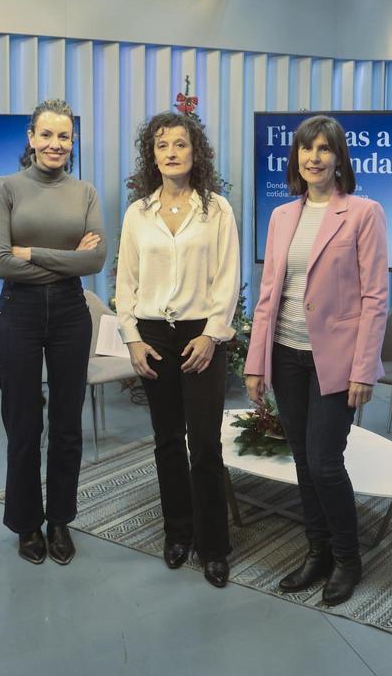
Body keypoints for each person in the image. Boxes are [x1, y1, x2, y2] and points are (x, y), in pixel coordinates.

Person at [244, 114, 388, 606]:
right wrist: (256, 361)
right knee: (304, 461)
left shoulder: (364, 213)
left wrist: (363, 369)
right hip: (285, 356)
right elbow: (269, 295)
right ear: (296, 158)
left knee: (326, 462)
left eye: (325, 149)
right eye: (307, 149)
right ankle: (316, 552)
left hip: (336, 362)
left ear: (339, 158)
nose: (314, 157)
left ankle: (348, 559)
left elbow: (375, 297)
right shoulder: (282, 216)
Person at [115, 110, 241, 588]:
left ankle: (214, 546)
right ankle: (178, 532)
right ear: (153, 155)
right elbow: (125, 282)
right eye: (162, 145)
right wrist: (132, 338)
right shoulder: (137, 213)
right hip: (152, 335)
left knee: (205, 442)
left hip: (199, 333)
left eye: (180, 144)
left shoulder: (216, 210)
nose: (171, 152)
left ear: (196, 152)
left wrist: (212, 334)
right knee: (167, 440)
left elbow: (228, 279)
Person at [0, 98, 106, 566]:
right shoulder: (5, 188)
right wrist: (65, 260)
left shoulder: (86, 192)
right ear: (31, 138)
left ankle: (59, 521)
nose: (56, 144)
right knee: (23, 423)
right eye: (47, 135)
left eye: (65, 136)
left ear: (72, 143)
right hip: (19, 311)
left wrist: (30, 253)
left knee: (66, 425)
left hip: (73, 317)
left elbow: (94, 261)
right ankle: (25, 524)